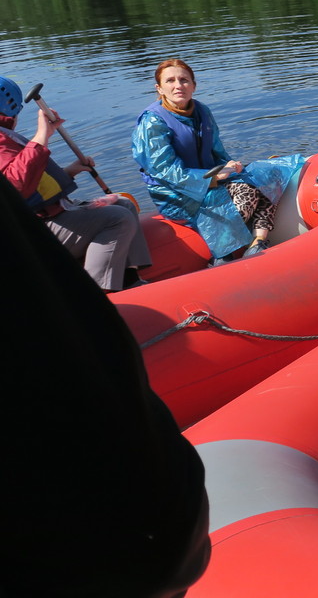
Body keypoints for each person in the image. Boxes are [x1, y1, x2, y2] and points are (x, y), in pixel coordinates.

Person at [0, 175, 210, 596]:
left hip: (119, 540)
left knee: (120, 207)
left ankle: (125, 277)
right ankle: (110, 284)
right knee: (116, 215)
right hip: (136, 535)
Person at [131, 59, 305, 264]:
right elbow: (166, 171)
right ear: (159, 88)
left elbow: (217, 153)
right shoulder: (153, 122)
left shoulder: (202, 111)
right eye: (170, 81)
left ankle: (258, 241)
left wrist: (230, 166)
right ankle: (221, 257)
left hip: (212, 181)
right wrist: (211, 179)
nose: (178, 85)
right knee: (246, 191)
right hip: (177, 195)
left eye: (184, 80)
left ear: (194, 86)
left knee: (267, 174)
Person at [0, 76, 151, 291]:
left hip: (49, 215)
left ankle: (129, 278)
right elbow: (16, 187)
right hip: (31, 235)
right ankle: (100, 294)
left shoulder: (5, 137)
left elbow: (32, 182)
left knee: (122, 204)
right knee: (118, 219)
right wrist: (43, 134)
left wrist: (70, 171)